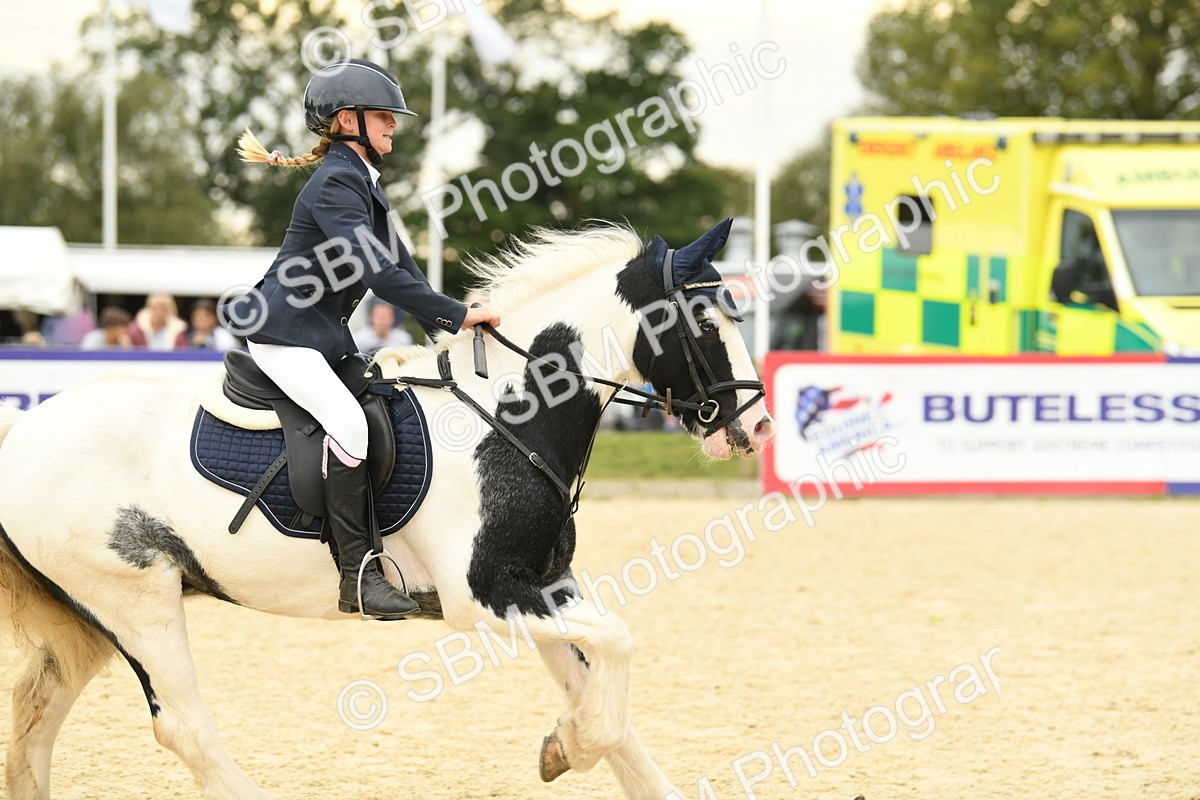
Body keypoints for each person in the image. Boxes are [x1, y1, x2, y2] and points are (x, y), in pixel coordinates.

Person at [222, 59, 500, 619]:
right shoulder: (336, 182)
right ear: (348, 121)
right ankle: (358, 575)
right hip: (284, 335)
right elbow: (377, 272)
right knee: (348, 424)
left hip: (321, 336)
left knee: (389, 404)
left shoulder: (363, 183)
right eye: (383, 116)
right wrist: (455, 314)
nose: (394, 124)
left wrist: (453, 329)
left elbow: (403, 266)